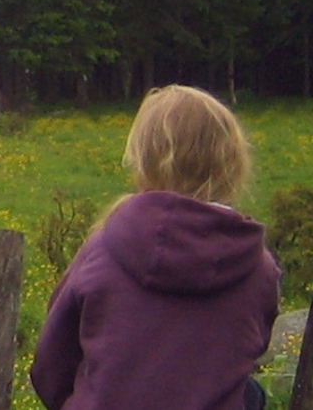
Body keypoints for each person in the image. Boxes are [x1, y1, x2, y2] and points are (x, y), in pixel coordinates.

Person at [30, 85, 280, 410]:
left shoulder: (103, 250)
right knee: (250, 394)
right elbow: (250, 349)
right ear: (231, 162)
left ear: (142, 159)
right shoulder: (259, 267)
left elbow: (50, 365)